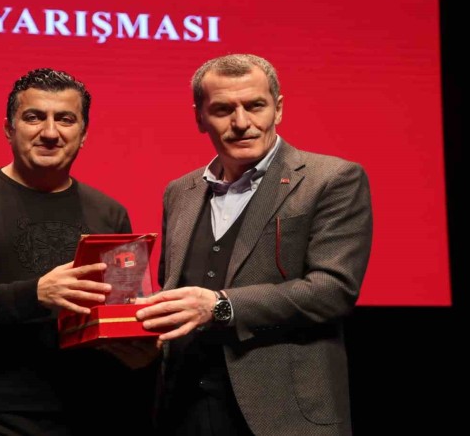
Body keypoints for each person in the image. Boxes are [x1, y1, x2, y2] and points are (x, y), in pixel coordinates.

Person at [135, 54, 374, 435]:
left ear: (278, 108)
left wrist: (221, 306)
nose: (242, 122)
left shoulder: (331, 179)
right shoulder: (180, 191)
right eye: (223, 109)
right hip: (183, 407)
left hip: (281, 413)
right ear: (200, 117)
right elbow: (174, 289)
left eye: (255, 105)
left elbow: (333, 290)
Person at [0, 68, 155, 436]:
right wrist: (36, 294)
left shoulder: (110, 213)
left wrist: (140, 343)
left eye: (65, 119)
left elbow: (116, 312)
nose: (49, 132)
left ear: (83, 134)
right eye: (34, 117)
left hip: (87, 413)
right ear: (9, 128)